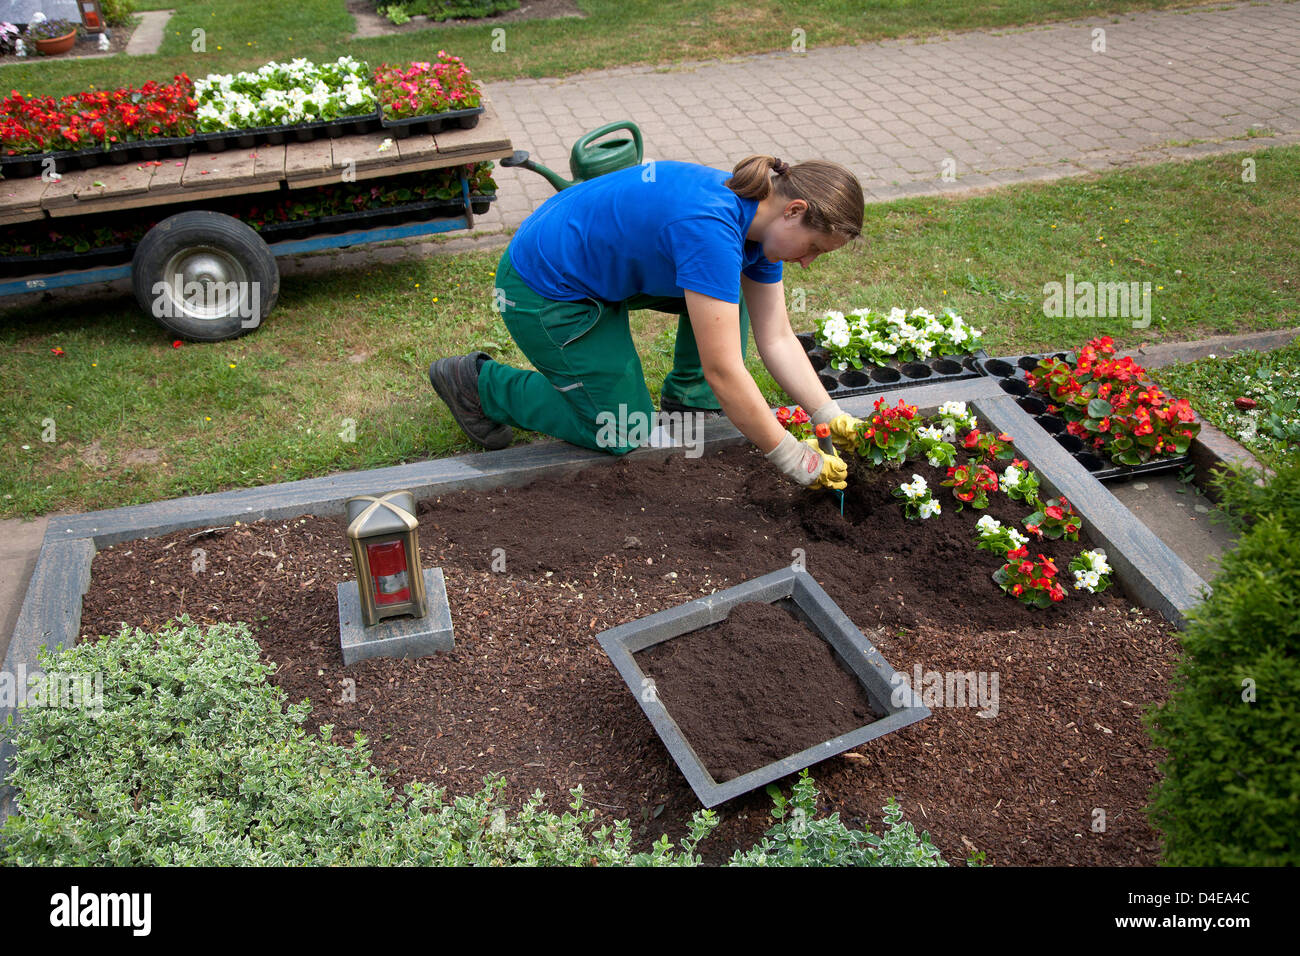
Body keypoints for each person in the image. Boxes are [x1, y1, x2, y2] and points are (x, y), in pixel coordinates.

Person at [427, 154, 865, 488]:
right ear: (794, 210)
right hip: (545, 287)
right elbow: (725, 370)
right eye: (814, 248)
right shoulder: (710, 228)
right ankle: (478, 384)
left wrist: (829, 412)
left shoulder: (758, 222)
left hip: (596, 265)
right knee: (620, 428)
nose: (807, 262)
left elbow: (778, 337)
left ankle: (689, 400)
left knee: (729, 294)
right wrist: (791, 457)